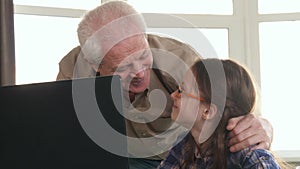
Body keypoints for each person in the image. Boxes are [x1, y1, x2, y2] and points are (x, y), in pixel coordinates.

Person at [56, 1, 273, 169]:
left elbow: (230, 106)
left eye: (143, 55)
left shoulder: (181, 61)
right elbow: (61, 134)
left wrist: (263, 127)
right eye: (123, 67)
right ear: (96, 65)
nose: (139, 72)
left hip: (167, 156)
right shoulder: (74, 70)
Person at [158, 59, 287, 169]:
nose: (173, 95)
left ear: (207, 111)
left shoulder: (249, 154)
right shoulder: (184, 145)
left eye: (182, 91)